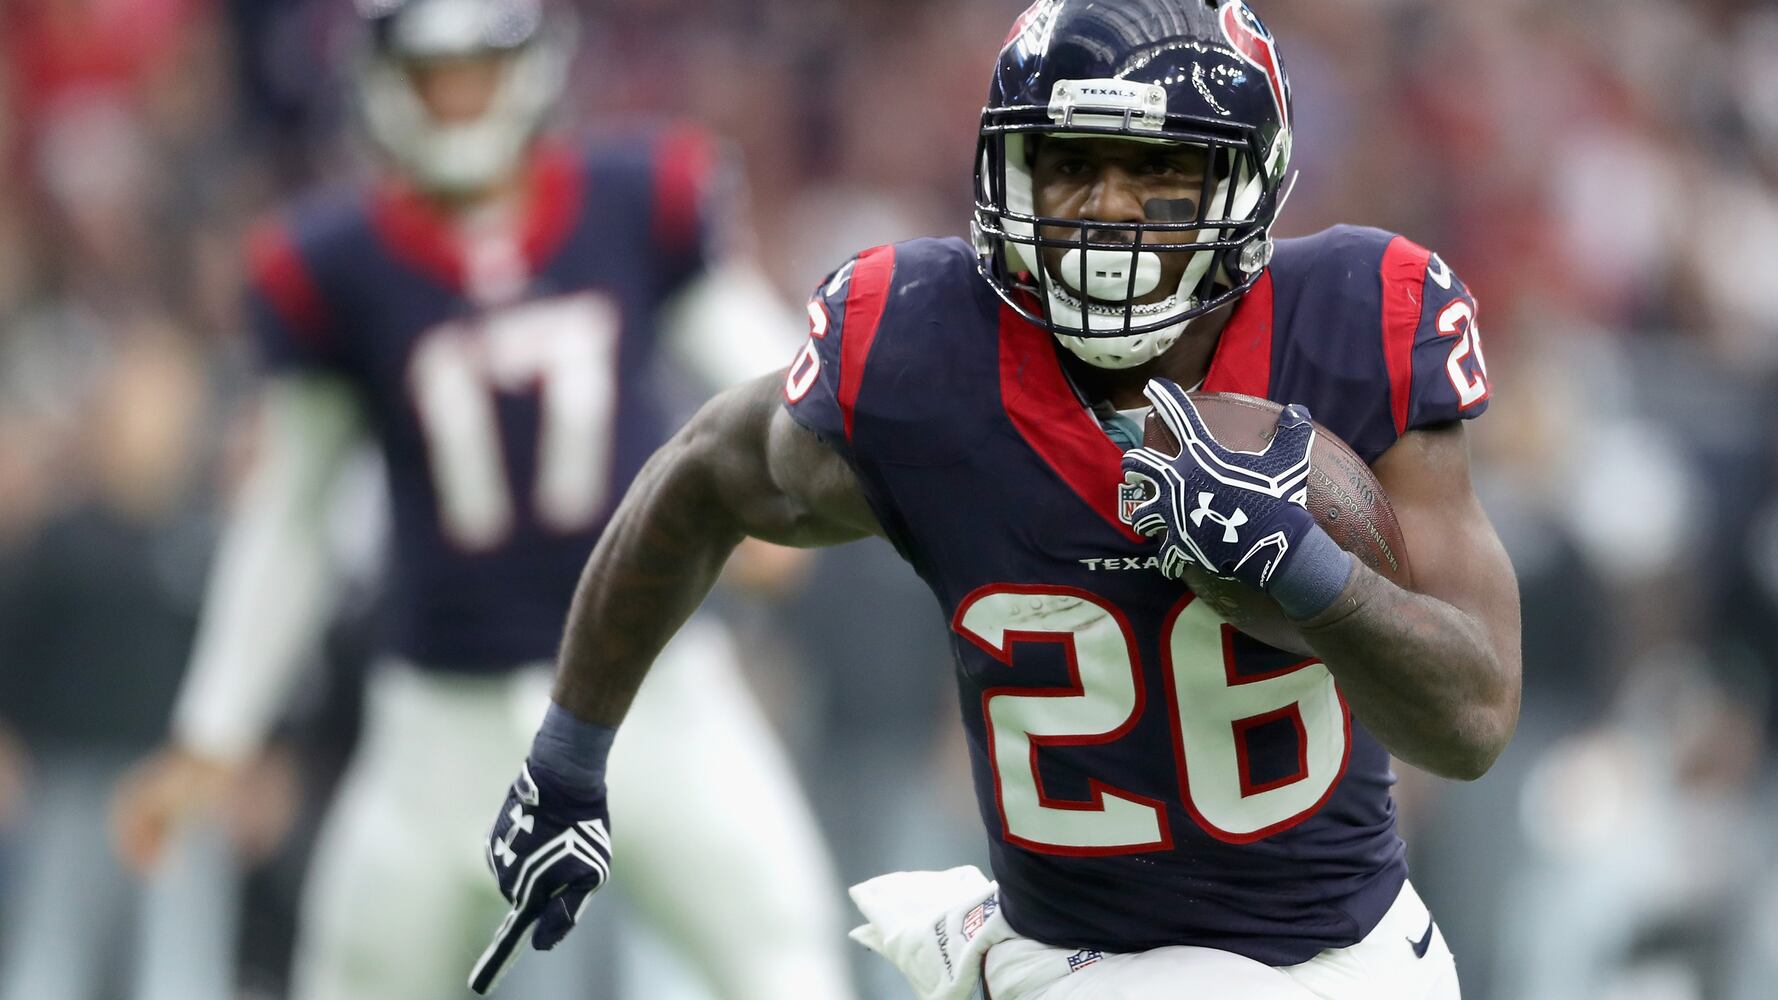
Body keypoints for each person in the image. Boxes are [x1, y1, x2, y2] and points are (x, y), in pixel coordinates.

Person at [471, 2, 1522, 999]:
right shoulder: (925, 352)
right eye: (1071, 165)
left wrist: (1302, 565)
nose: (1109, 208)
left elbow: (1472, 721)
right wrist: (566, 761)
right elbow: (703, 472)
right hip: (1070, 955)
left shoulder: (1351, 322)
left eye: (1157, 168)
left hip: (1338, 958)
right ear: (1011, 171)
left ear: (1245, 181)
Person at [109, 2, 857, 999]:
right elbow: (292, 517)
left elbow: (779, 382)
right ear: (383, 82)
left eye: (475, 70)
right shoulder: (334, 262)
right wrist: (217, 726)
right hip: (441, 715)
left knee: (785, 955)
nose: (458, 98)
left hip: (654, 682)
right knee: (353, 981)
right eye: (434, 75)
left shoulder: (634, 199)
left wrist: (787, 484)